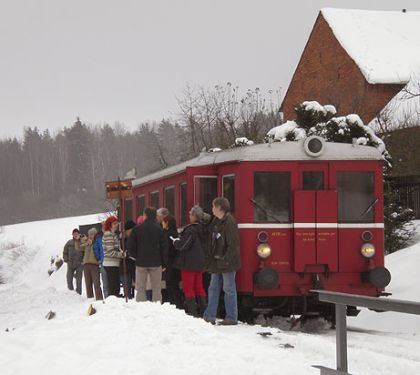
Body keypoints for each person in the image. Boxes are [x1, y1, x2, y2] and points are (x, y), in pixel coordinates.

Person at [203, 197, 241, 325]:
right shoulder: (217, 220)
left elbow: (233, 245)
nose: (212, 209)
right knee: (213, 287)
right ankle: (210, 316)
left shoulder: (229, 222)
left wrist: (226, 260)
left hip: (226, 262)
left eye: (213, 206)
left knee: (229, 289)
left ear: (219, 208)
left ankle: (231, 317)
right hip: (217, 261)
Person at [128, 207, 168, 303]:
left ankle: (141, 308)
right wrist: (164, 263)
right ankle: (156, 307)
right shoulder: (159, 229)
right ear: (155, 216)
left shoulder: (137, 229)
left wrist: (136, 256)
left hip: (141, 262)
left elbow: (130, 246)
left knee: (141, 288)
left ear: (145, 215)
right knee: (156, 288)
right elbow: (164, 248)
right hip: (156, 262)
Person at [173, 206, 207, 317]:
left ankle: (193, 313)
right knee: (199, 287)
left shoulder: (191, 230)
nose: (189, 216)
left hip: (189, 263)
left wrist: (176, 242)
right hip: (200, 263)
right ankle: (203, 310)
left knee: (188, 288)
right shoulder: (204, 229)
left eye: (190, 214)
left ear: (194, 216)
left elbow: (184, 245)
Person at [162, 215, 182, 309]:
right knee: (174, 285)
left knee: (171, 285)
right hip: (176, 264)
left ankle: (175, 305)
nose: (162, 223)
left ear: (167, 223)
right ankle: (177, 304)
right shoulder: (175, 233)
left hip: (170, 264)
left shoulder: (168, 234)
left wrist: (164, 263)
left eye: (164, 222)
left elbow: (167, 250)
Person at [102, 216, 124, 297]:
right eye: (114, 224)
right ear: (110, 225)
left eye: (116, 223)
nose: (116, 225)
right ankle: (113, 301)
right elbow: (110, 251)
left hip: (114, 263)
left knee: (115, 285)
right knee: (113, 286)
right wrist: (121, 255)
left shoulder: (113, 234)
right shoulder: (109, 235)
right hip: (110, 264)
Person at [81, 227, 103, 300]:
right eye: (89, 234)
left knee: (96, 283)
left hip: (94, 264)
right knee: (88, 284)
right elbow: (78, 248)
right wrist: (79, 240)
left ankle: (99, 298)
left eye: (92, 234)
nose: (90, 236)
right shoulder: (86, 242)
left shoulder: (97, 241)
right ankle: (90, 299)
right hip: (86, 264)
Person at [63, 228, 83, 295]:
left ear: (79, 234)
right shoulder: (69, 242)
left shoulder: (82, 242)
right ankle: (71, 293)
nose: (76, 235)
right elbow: (65, 252)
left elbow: (86, 252)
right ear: (72, 235)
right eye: (74, 234)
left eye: (77, 234)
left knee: (79, 280)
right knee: (69, 279)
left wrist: (83, 261)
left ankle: (78, 294)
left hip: (79, 264)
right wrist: (66, 259)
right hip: (70, 264)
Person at [120, 220, 136, 299]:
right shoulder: (122, 240)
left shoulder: (137, 239)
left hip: (136, 267)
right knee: (127, 292)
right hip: (125, 268)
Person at [93, 221, 109, 298]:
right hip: (103, 261)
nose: (104, 226)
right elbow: (95, 248)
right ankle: (106, 297)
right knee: (105, 281)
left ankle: (113, 298)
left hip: (111, 260)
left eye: (105, 225)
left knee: (112, 280)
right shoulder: (98, 236)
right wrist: (98, 257)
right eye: (103, 225)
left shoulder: (111, 233)